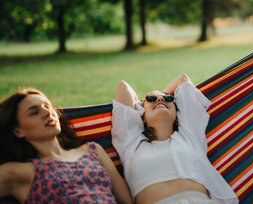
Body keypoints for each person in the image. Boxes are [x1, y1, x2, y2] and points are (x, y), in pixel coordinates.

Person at [111, 73, 238, 204]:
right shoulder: (131, 142)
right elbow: (123, 87)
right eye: (151, 98)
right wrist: (155, 103)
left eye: (167, 98)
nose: (160, 99)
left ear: (177, 115)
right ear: (141, 116)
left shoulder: (189, 135)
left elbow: (182, 80)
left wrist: (155, 102)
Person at [0, 88, 133, 204]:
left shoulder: (93, 150)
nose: (47, 113)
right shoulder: (19, 172)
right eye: (34, 112)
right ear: (18, 131)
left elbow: (127, 201)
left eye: (48, 106)